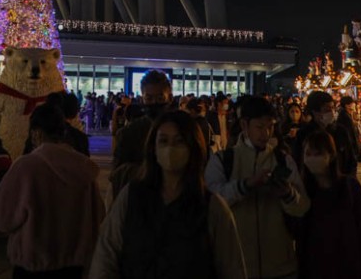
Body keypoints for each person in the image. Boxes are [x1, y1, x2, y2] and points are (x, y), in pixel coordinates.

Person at [90, 110, 247, 278]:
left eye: (179, 141)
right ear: (153, 148)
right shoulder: (131, 197)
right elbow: (106, 256)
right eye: (163, 141)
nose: (170, 149)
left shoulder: (211, 207)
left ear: (193, 147)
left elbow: (232, 268)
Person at [0, 104, 105, 278]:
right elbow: (99, 216)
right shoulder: (83, 169)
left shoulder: (27, 167)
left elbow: (1, 217)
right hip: (74, 265)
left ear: (36, 133)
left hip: (33, 264)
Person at [205, 95, 309, 279]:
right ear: (245, 126)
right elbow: (212, 201)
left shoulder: (283, 160)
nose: (266, 134)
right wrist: (246, 185)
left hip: (280, 267)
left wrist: (287, 193)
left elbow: (302, 207)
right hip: (236, 267)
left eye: (270, 127)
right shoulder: (223, 160)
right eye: (259, 127)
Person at [296, 130, 361, 279]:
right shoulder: (301, 192)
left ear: (331, 155)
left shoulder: (349, 188)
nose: (312, 159)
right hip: (314, 268)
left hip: (349, 266)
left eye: (318, 154)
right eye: (308, 154)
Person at [110, 69, 173, 196]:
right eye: (149, 98)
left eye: (160, 98)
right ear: (142, 99)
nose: (154, 103)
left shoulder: (183, 129)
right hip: (138, 198)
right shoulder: (129, 133)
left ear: (170, 98)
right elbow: (116, 173)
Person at [292, 91, 359, 177]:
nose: (331, 112)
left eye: (332, 108)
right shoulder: (304, 134)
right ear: (314, 112)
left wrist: (348, 180)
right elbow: (298, 161)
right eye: (327, 109)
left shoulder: (340, 131)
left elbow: (351, 159)